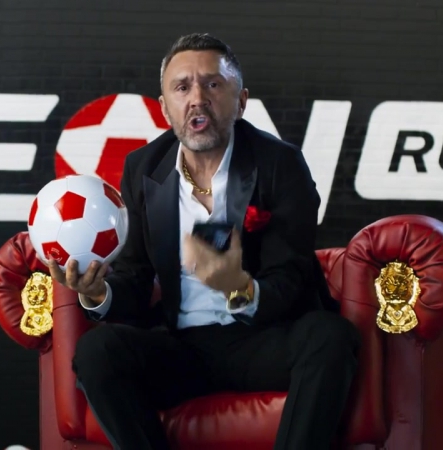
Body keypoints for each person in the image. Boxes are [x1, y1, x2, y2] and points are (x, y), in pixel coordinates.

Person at [46, 32, 361, 450]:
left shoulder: (280, 164)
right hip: (183, 347)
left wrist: (239, 287)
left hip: (264, 338)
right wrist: (98, 292)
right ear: (165, 108)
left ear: (241, 101)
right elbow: (135, 277)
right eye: (182, 87)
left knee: (330, 337)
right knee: (97, 352)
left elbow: (292, 276)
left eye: (212, 84)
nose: (197, 98)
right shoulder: (143, 168)